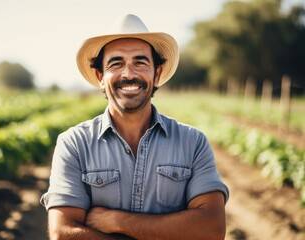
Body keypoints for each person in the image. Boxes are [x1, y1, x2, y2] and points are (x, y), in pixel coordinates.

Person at [40, 14, 229, 240]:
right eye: (116, 63)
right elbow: (63, 233)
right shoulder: (74, 143)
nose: (129, 74)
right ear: (100, 76)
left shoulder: (193, 142)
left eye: (140, 62)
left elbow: (211, 228)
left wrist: (118, 221)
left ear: (156, 74)